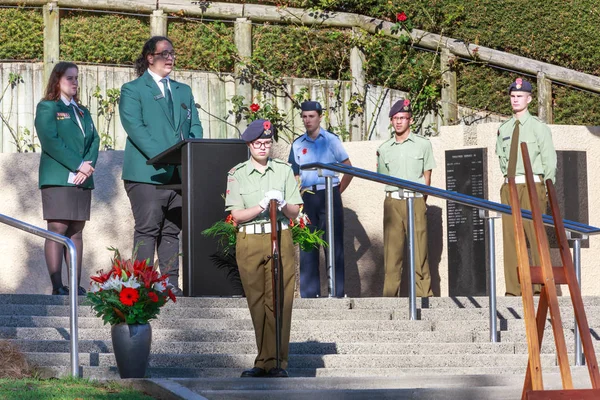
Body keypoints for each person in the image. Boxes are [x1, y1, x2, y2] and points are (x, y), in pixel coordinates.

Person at [119, 36, 203, 296]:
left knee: (171, 232)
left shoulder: (183, 91)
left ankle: (169, 285)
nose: (170, 57)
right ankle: (142, 287)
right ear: (149, 57)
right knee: (148, 229)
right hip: (147, 173)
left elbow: (195, 126)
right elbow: (136, 128)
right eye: (163, 53)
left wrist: (193, 153)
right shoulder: (133, 90)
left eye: (172, 53)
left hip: (178, 174)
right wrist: (165, 155)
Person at [226, 119, 302, 378]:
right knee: (257, 302)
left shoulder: (283, 171)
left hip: (279, 236)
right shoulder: (237, 174)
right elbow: (236, 214)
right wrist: (260, 206)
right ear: (249, 145)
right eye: (258, 143)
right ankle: (266, 358)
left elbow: (294, 210)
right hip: (250, 239)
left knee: (280, 300)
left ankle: (276, 361)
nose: (263, 147)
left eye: (267, 143)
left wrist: (281, 204)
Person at [35, 61, 100, 295]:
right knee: (58, 228)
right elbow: (51, 141)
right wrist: (77, 164)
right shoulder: (48, 107)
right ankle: (57, 286)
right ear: (57, 80)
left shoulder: (82, 110)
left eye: (76, 78)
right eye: (69, 78)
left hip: (82, 179)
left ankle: (74, 285)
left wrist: (87, 166)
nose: (74, 82)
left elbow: (95, 140)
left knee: (76, 231)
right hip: (59, 177)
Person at [496, 78, 557, 296]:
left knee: (536, 235)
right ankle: (515, 288)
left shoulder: (538, 128)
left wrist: (547, 188)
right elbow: (502, 158)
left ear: (529, 99)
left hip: (532, 185)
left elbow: (549, 160)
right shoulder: (504, 128)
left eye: (520, 96)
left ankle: (543, 285)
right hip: (509, 185)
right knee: (511, 238)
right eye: (513, 96)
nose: (515, 100)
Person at [288, 101, 352, 298]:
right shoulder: (298, 144)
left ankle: (337, 293)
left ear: (320, 117)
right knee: (308, 243)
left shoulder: (331, 140)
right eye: (304, 116)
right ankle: (309, 294)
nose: (307, 120)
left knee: (334, 244)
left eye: (311, 116)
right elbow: (293, 174)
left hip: (329, 193)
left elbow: (348, 168)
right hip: (307, 196)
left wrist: (337, 191)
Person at [377, 99, 435, 298]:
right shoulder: (384, 148)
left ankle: (424, 296)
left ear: (410, 120)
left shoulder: (423, 144)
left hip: (416, 199)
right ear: (391, 121)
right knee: (392, 254)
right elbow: (382, 176)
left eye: (403, 118)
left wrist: (421, 200)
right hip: (393, 201)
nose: (399, 122)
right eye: (395, 118)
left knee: (420, 251)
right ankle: (390, 298)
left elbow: (427, 176)